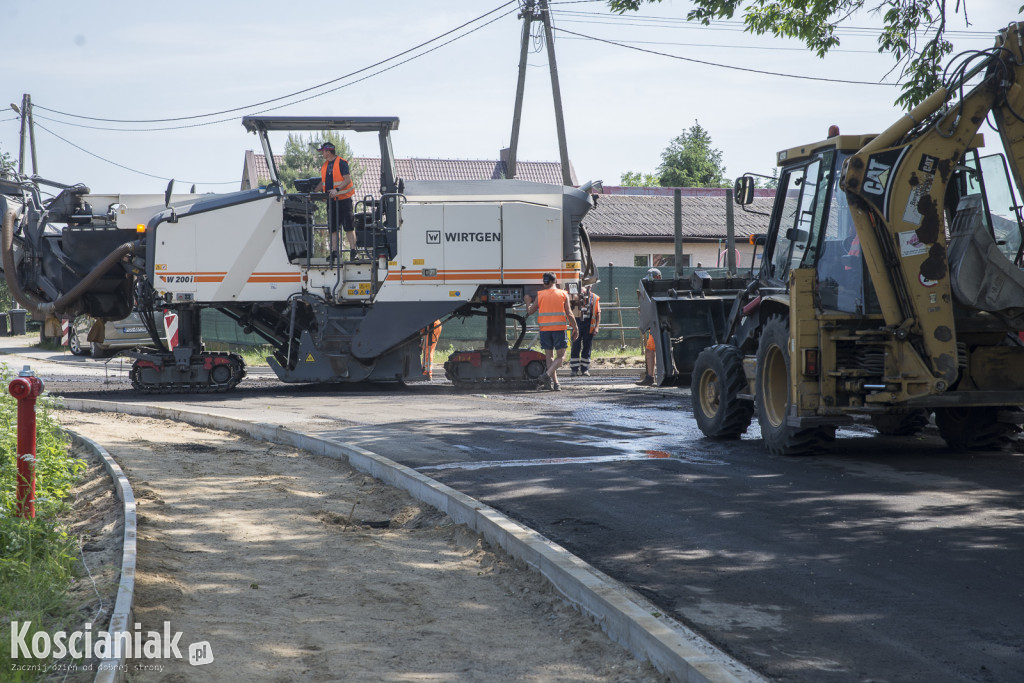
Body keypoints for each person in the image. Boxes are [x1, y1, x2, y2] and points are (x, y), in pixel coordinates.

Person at [527, 272, 579, 391]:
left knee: (549, 357)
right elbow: (569, 313)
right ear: (555, 281)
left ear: (546, 282)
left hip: (545, 330)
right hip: (559, 329)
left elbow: (530, 311)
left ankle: (555, 384)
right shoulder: (563, 294)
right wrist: (575, 327)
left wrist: (527, 301)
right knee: (561, 357)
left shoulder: (540, 295)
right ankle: (546, 375)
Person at [315, 142, 357, 260]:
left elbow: (347, 179)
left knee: (349, 226)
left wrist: (337, 189)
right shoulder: (324, 166)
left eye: (323, 151)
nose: (322, 154)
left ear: (328, 151)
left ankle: (353, 251)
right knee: (333, 228)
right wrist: (314, 191)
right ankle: (334, 252)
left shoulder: (341, 162)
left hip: (344, 200)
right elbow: (323, 183)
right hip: (332, 201)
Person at [636, 267, 662, 386]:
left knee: (652, 350)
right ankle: (651, 377)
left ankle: (652, 377)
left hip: (658, 326)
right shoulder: (649, 293)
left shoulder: (660, 291)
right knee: (650, 350)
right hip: (654, 326)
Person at [569, 284, 600, 377]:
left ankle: (585, 369)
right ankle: (574, 369)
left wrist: (596, 327)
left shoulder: (594, 298)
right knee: (575, 345)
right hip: (577, 323)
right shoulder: (574, 297)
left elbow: (598, 313)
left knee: (587, 346)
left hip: (589, 324)